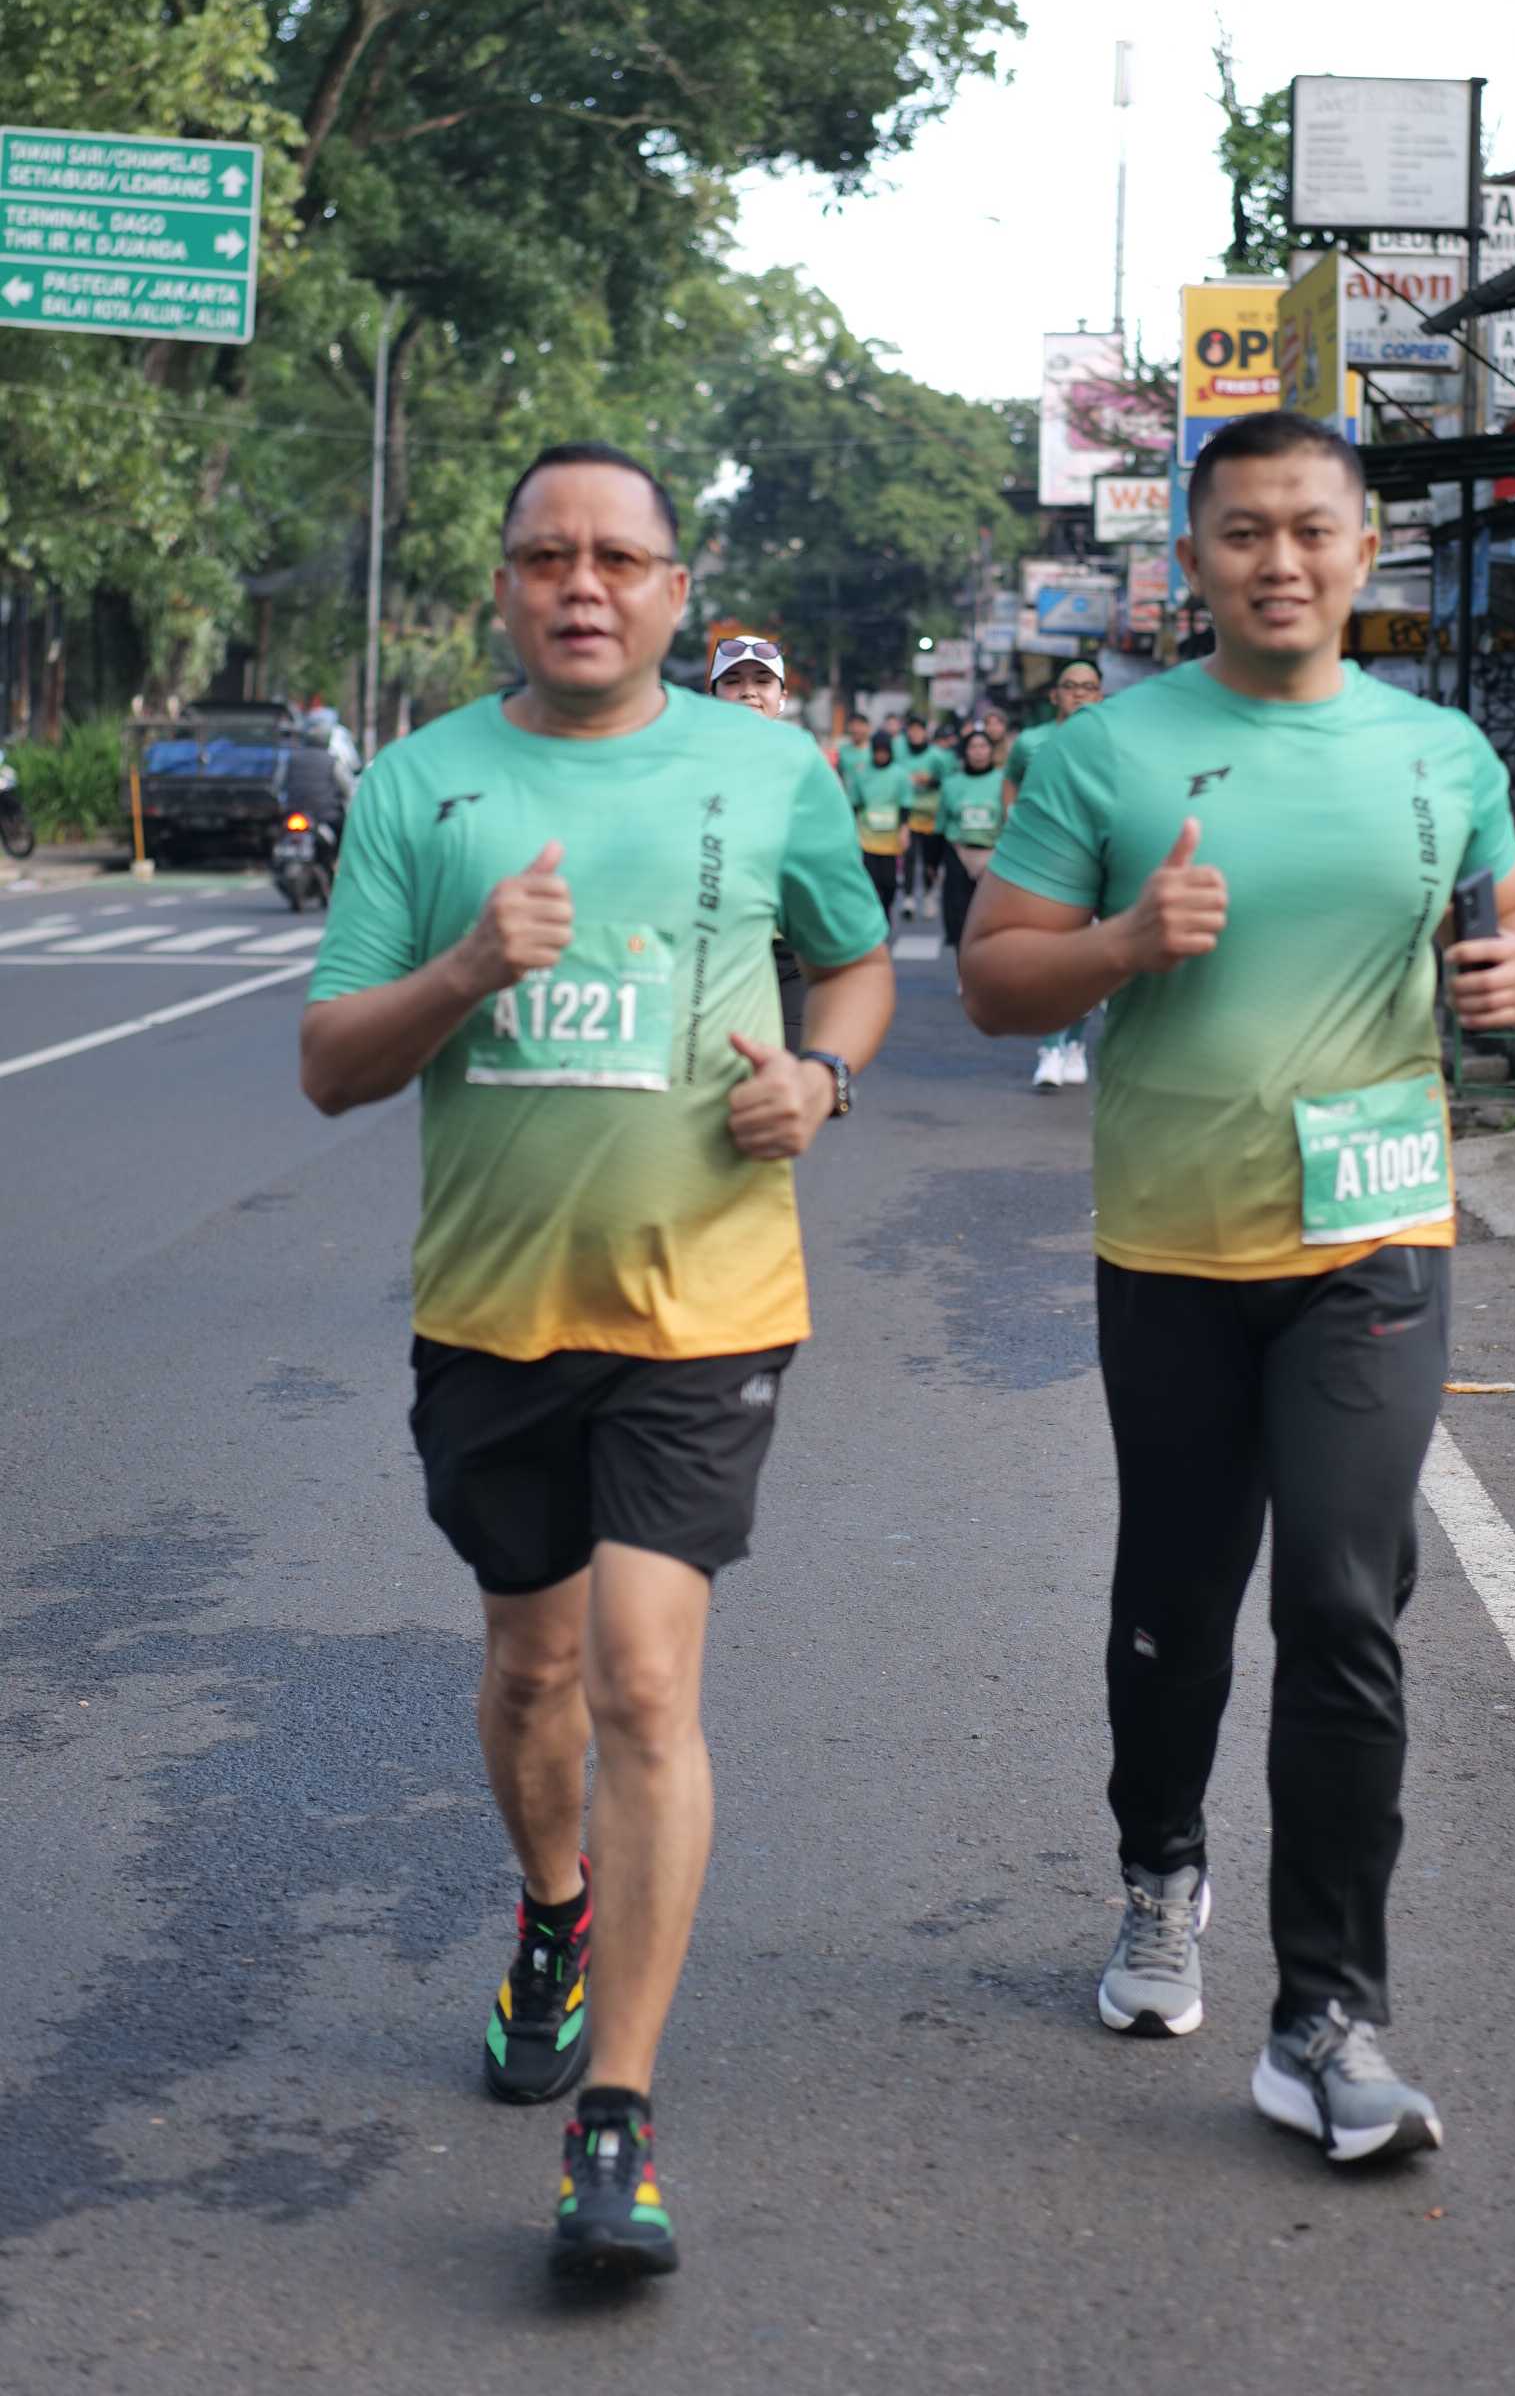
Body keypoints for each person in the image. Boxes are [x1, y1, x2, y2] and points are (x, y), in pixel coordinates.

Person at [299, 442, 892, 2283]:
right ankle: (553, 1909)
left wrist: (825, 1075)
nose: (582, 583)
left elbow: (856, 963)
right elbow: (331, 1063)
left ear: (670, 588)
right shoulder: (422, 784)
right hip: (494, 1311)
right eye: (548, 554)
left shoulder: (769, 769)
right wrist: (467, 967)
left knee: (643, 1677)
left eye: (618, 557)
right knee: (534, 1664)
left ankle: (615, 2115)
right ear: (503, 585)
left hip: (707, 1301)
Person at [961, 408, 1515, 2168]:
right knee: (1175, 1599)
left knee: (1344, 1602)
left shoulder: (1440, 751)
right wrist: (1122, 943)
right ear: (1192, 560)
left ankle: (1327, 2018)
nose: (1278, 559)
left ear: (1363, 548)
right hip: (1172, 1246)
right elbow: (992, 976)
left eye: (1310, 527)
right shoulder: (1107, 753)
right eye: (1242, 531)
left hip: (1373, 1242)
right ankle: (1161, 1867)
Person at [1004, 661, 1103, 1093]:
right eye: (1070, 686)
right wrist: (1013, 823)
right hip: (1045, 860)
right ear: (1054, 695)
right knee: (1052, 957)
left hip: (1097, 861)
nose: (1079, 693)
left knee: (1089, 963)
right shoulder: (1031, 742)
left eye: (1088, 687)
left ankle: (1075, 1044)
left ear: (1099, 695)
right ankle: (1050, 1049)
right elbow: (1010, 781)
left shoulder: (1112, 742)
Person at [709, 635, 807, 1052]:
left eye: (762, 681)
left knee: (786, 1073)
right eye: (732, 681)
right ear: (712, 696)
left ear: (781, 698)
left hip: (788, 957)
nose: (748, 691)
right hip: (710, 955)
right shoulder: (686, 769)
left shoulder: (808, 769)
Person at [936, 723, 1008, 955]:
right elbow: (941, 824)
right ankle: (963, 964)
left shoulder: (1004, 782)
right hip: (960, 852)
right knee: (960, 916)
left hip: (994, 855)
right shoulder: (951, 784)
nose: (978, 752)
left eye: (983, 746)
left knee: (992, 917)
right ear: (965, 752)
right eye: (973, 747)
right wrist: (933, 864)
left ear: (991, 751)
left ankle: (990, 963)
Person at [853, 727, 910, 918]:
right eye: (877, 751)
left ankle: (886, 909)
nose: (881, 755)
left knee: (890, 883)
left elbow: (905, 804)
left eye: (884, 751)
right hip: (867, 837)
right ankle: (875, 916)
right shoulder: (862, 773)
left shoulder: (900, 774)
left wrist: (904, 830)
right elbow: (855, 803)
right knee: (871, 881)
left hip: (891, 839)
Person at [895, 711, 942, 920]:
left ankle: (929, 895)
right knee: (909, 857)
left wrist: (929, 781)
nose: (915, 734)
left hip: (931, 815)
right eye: (911, 730)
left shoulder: (936, 756)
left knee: (930, 860)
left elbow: (946, 781)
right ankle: (908, 898)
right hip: (910, 813)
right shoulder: (901, 756)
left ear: (925, 732)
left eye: (918, 730)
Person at [833, 707, 873, 804]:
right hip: (848, 801)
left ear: (868, 727)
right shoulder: (842, 751)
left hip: (871, 801)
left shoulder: (874, 751)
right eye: (853, 725)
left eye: (860, 725)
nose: (856, 729)